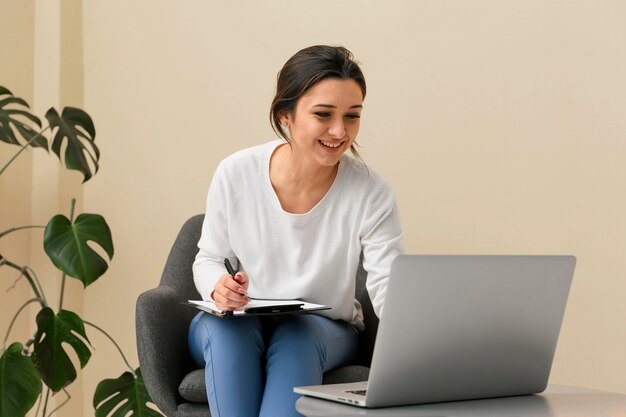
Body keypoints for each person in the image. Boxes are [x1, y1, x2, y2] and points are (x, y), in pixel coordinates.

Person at [189, 45, 403, 417]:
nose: (339, 131)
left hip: (321, 331)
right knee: (228, 334)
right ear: (285, 115)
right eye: (323, 115)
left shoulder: (372, 192)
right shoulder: (235, 173)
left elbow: (387, 287)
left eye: (352, 116)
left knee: (297, 338)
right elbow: (208, 259)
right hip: (236, 323)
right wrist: (218, 287)